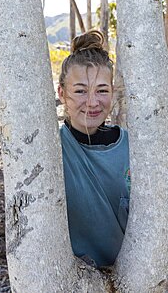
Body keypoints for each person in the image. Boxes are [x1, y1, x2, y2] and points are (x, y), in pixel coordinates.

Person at [58, 30, 130, 268]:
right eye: (80, 91)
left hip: (128, 279)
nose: (92, 102)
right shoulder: (50, 150)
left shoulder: (132, 148)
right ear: (62, 94)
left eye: (102, 90)